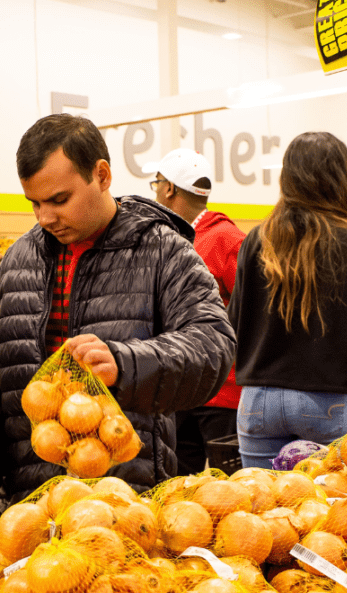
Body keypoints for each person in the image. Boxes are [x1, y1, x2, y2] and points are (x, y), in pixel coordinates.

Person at [0, 113, 236, 538]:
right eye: (35, 203)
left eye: (59, 200)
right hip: (30, 512)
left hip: (126, 508)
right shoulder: (19, 261)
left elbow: (213, 345)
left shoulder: (162, 251)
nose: (45, 217)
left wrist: (126, 364)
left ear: (101, 175)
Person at [227, 131, 347, 470]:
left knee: (260, 508)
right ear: (343, 178)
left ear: (286, 177)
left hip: (258, 399)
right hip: (327, 399)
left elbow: (234, 322)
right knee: (330, 511)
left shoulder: (256, 239)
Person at [143, 148, 245, 476]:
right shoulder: (171, 239)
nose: (156, 190)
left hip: (222, 391)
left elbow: (251, 310)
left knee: (231, 494)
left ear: (169, 188)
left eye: (157, 183)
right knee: (178, 488)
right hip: (183, 390)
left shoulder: (226, 239)